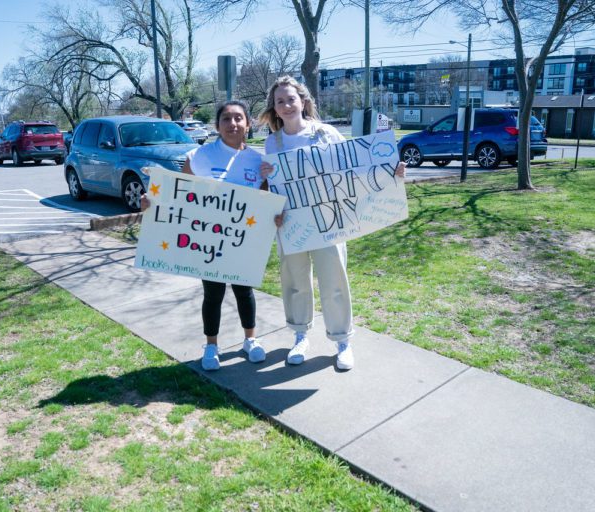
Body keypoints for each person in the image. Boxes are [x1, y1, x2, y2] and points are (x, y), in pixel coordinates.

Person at [259, 75, 406, 371]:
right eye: (280, 101)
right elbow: (270, 189)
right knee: (295, 283)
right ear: (274, 108)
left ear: (303, 101)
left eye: (291, 99)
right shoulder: (271, 144)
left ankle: (342, 341)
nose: (286, 105)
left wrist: (390, 173)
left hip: (330, 221)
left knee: (334, 281)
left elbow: (355, 170)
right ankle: (300, 336)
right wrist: (266, 182)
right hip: (291, 226)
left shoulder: (326, 134)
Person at [141, 101, 266, 371]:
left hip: (242, 240)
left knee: (245, 291)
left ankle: (250, 340)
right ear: (217, 125)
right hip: (208, 240)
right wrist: (153, 200)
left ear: (248, 123)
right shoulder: (199, 156)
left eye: (238, 118)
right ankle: (211, 346)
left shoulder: (258, 161)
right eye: (226, 119)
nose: (233, 124)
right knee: (213, 294)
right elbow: (179, 193)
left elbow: (266, 200)